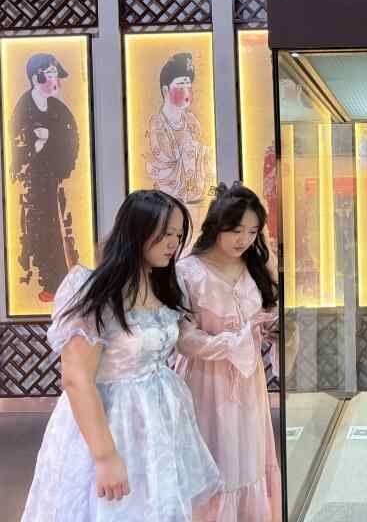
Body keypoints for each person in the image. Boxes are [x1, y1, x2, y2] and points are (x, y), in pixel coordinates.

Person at [21, 190, 226, 521]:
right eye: (165, 234)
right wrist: (105, 456)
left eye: (177, 235)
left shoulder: (164, 283)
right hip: (112, 420)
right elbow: (76, 380)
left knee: (157, 505)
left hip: (158, 419)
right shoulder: (93, 292)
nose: (173, 244)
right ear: (137, 231)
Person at [175, 182, 282, 522]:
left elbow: (266, 315)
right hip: (204, 380)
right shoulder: (187, 272)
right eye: (236, 230)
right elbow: (183, 338)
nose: (244, 239)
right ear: (216, 226)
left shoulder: (256, 266)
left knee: (248, 459)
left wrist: (272, 330)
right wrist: (234, 342)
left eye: (252, 231)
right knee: (213, 458)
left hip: (249, 382)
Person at [10, 53, 80, 302]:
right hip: (30, 184)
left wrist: (62, 165)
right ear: (35, 77)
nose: (55, 81)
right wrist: (36, 144)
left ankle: (64, 282)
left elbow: (73, 141)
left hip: (57, 181)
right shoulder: (23, 108)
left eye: (56, 75)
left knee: (61, 229)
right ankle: (42, 281)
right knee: (36, 231)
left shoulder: (59, 109)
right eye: (50, 75)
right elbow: (14, 148)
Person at [145, 52, 212, 205]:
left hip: (197, 197)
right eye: (181, 86)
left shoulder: (191, 121)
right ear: (165, 90)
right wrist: (190, 152)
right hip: (168, 200)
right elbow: (163, 164)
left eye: (189, 86)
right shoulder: (158, 124)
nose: (187, 92)